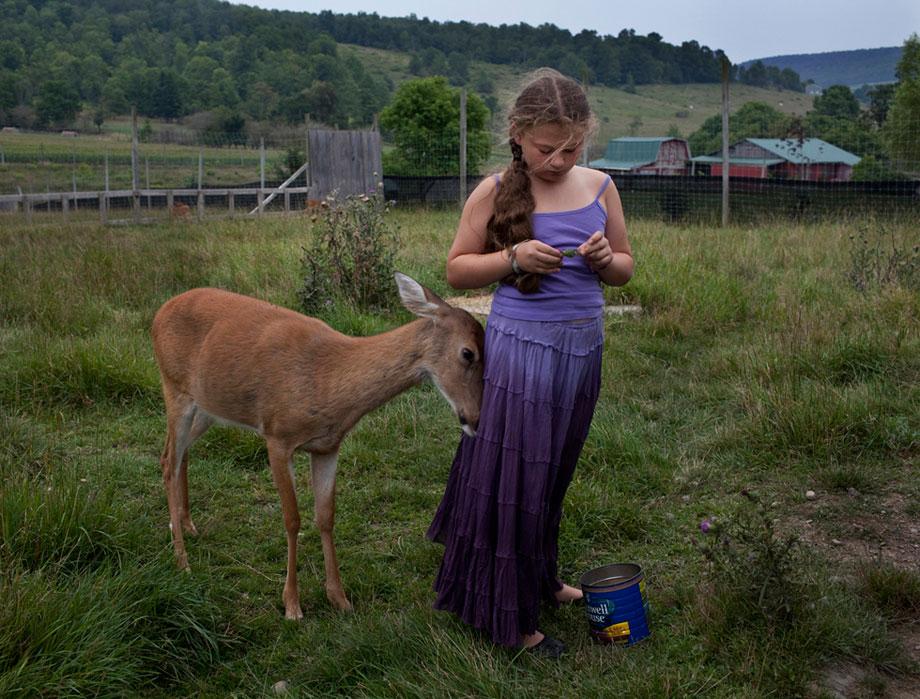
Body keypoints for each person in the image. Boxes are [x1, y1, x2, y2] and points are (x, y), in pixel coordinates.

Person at [426, 68, 634, 658]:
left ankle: (539, 578)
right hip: (523, 354)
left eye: (573, 147)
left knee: (552, 474)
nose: (561, 160)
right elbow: (457, 269)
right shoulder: (493, 191)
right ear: (517, 134)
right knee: (516, 478)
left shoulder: (601, 186)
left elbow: (625, 268)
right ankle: (508, 615)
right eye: (547, 148)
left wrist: (602, 259)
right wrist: (512, 257)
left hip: (582, 351)